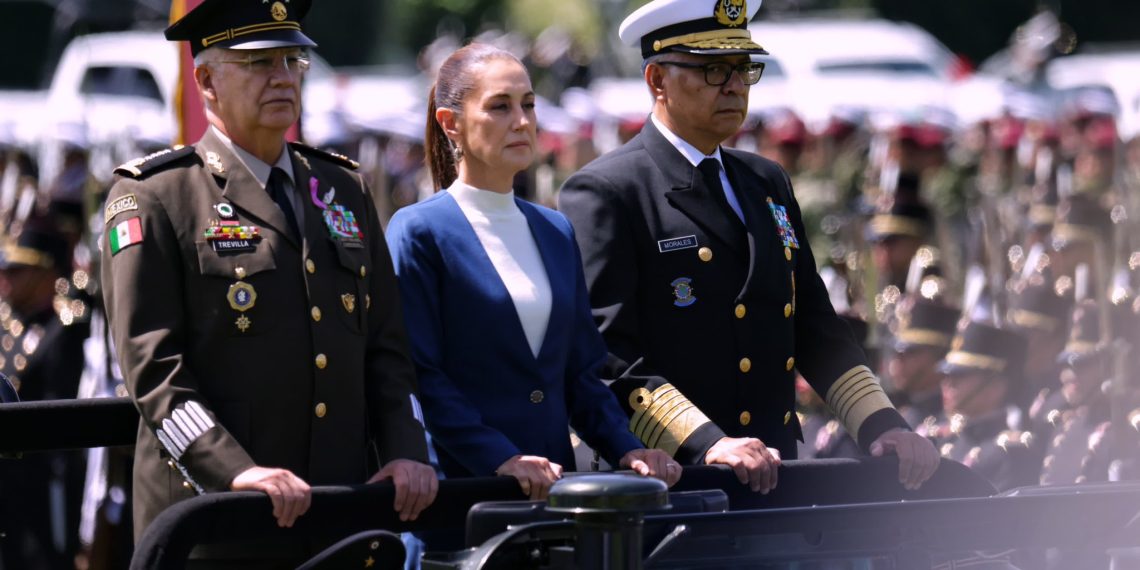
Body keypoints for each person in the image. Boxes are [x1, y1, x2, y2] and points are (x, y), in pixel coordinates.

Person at [99, 0, 437, 561]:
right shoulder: (156, 197)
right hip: (217, 525)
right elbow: (155, 373)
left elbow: (385, 348)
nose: (282, 77)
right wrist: (235, 471)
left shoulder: (341, 188)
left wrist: (404, 448)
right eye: (258, 63)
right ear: (206, 81)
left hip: (335, 518)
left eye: (291, 60)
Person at [557, 0, 940, 494]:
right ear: (657, 81)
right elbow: (608, 357)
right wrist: (707, 444)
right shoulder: (607, 189)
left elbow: (814, 326)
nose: (735, 85)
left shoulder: (765, 180)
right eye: (714, 70)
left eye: (744, 69)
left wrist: (881, 424)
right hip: (673, 481)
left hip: (777, 472)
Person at [385, 43, 681, 501]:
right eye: (500, 107)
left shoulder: (553, 228)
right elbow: (421, 375)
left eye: (528, 105)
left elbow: (581, 371)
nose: (522, 121)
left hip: (554, 495)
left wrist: (627, 448)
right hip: (462, 494)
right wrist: (498, 456)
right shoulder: (418, 230)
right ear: (451, 124)